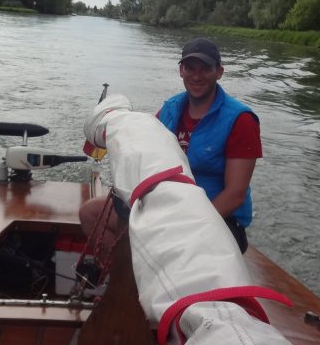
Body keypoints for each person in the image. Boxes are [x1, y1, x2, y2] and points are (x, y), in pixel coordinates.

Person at [79, 38, 261, 253]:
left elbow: (235, 194)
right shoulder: (170, 109)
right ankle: (131, 277)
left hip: (217, 220)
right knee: (90, 213)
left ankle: (137, 276)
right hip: (164, 209)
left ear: (219, 72)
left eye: (205, 69)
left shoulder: (240, 120)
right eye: (190, 68)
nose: (196, 76)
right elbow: (143, 149)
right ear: (180, 71)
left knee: (161, 248)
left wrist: (184, 228)